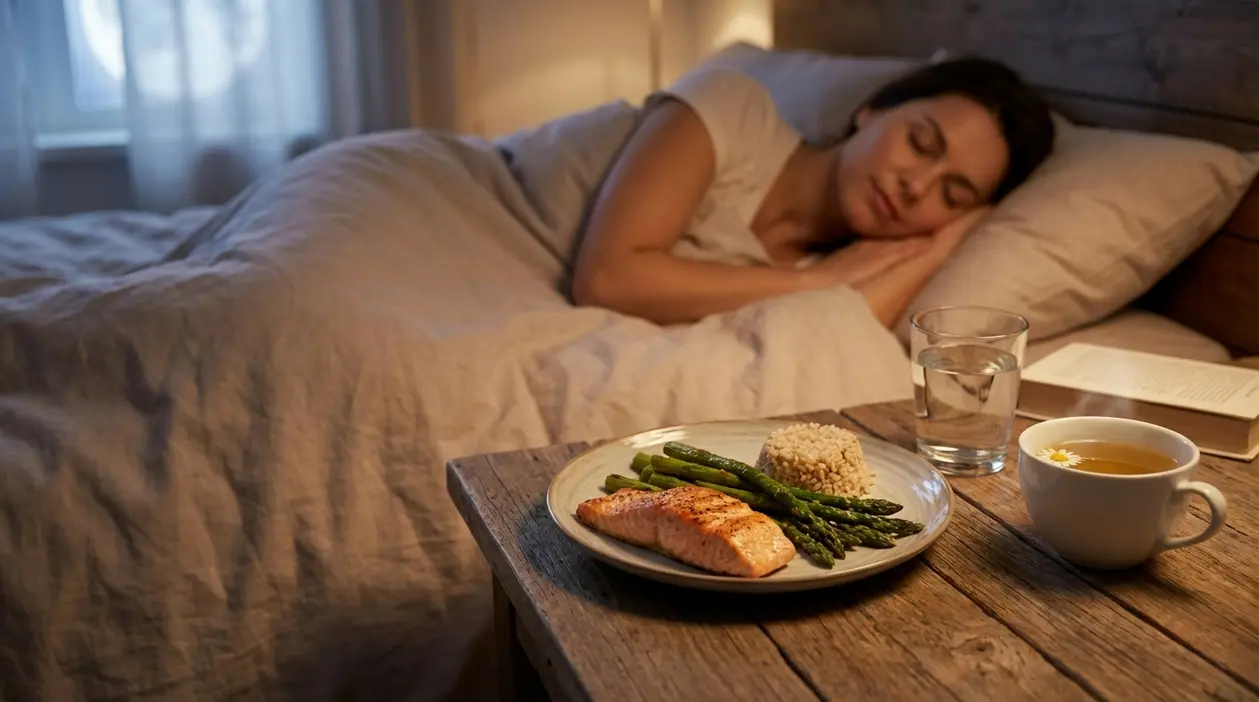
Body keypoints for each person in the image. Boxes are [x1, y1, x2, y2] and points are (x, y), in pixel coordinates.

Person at [570, 56, 1055, 328]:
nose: (917, 186)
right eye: (920, 142)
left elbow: (841, 343)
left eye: (952, 196)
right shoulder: (732, 111)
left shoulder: (865, 269)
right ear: (872, 110)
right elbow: (609, 279)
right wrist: (816, 284)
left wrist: (942, 247)